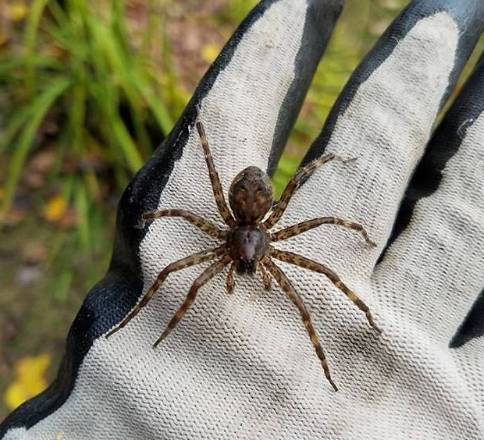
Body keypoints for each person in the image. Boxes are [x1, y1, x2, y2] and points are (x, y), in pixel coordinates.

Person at [1, 0, 483, 438]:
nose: (249, 266)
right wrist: (174, 188)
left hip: (252, 221)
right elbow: (185, 221)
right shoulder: (221, 236)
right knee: (181, 277)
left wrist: (345, 219)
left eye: (249, 259)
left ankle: (331, 366)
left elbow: (323, 242)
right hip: (245, 221)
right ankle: (160, 335)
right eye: (245, 259)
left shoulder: (269, 239)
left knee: (318, 281)